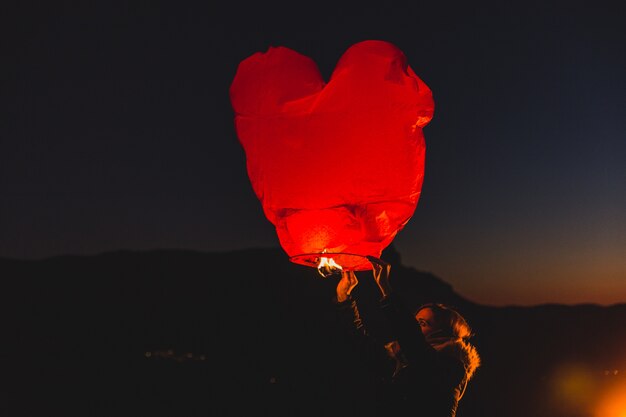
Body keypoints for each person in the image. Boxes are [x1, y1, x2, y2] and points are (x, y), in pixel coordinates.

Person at [333, 255, 480, 417]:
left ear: (442, 334)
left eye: (423, 324)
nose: (415, 327)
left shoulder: (450, 368)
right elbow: (361, 342)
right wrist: (344, 297)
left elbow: (413, 342)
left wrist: (386, 290)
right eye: (415, 321)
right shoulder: (400, 361)